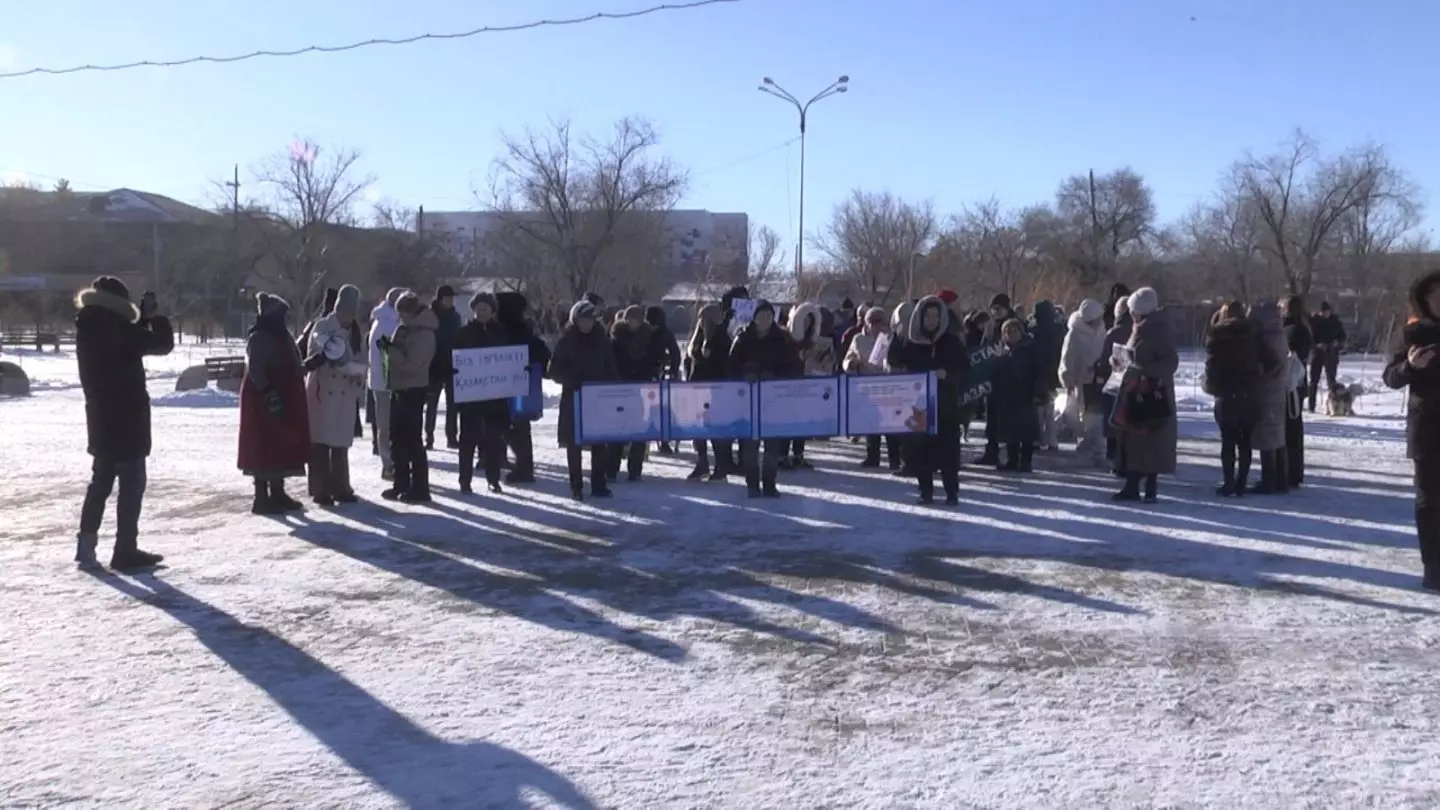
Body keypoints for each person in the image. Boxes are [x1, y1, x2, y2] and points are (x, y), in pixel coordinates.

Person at [74, 276, 175, 569]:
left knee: (100, 484)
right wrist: (154, 318)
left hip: (100, 417)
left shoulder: (90, 324)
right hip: (128, 418)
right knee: (131, 487)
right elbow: (162, 344)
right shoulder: (117, 328)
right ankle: (125, 549)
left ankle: (86, 546)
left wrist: (140, 322)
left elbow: (124, 346)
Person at [1382, 270, 1440, 591]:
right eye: (1435, 295)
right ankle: (1433, 568)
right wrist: (1410, 367)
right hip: (1429, 429)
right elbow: (1390, 377)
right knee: (1430, 501)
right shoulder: (1412, 334)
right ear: (1424, 300)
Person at [238, 292, 311, 516]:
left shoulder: (281, 335)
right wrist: (269, 392)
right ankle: (261, 497)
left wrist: (307, 366)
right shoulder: (260, 336)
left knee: (281, 441)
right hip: (264, 396)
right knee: (263, 444)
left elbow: (290, 363)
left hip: (283, 392)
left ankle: (278, 492)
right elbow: (257, 368)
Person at [895, 296, 967, 504]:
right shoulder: (911, 342)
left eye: (936, 316)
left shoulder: (951, 341)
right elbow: (895, 361)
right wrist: (897, 335)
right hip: (919, 407)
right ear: (921, 317)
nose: (932, 320)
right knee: (920, 451)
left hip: (946, 407)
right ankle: (925, 491)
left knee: (948, 453)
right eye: (928, 316)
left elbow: (964, 370)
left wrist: (947, 375)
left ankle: (951, 492)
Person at [730, 300, 802, 497]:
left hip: (774, 399)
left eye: (769, 316)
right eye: (762, 315)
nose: (765, 319)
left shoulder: (783, 339)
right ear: (754, 317)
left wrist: (775, 376)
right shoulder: (743, 338)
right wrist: (746, 372)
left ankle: (769, 483)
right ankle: (752, 484)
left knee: (772, 445)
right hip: (748, 399)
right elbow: (731, 365)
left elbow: (794, 367)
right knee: (750, 446)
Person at [1112, 288, 1179, 502]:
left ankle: (1150, 487)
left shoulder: (1159, 330)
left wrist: (1143, 368)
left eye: (1133, 311)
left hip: (1152, 394)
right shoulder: (1138, 328)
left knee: (1151, 440)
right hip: (1135, 392)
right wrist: (1119, 361)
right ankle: (1132, 486)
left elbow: (1170, 362)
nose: (1131, 315)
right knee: (1134, 440)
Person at [304, 284, 367, 505]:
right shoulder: (322, 326)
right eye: (346, 311)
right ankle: (320, 489)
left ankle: (341, 487)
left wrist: (357, 373)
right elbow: (316, 351)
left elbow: (362, 361)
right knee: (320, 444)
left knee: (340, 444)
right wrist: (334, 357)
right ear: (338, 309)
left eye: (352, 312)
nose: (349, 316)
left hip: (345, 394)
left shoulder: (357, 332)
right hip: (323, 392)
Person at [550, 300, 619, 500]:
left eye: (590, 319)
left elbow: (610, 367)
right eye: (583, 320)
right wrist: (571, 379)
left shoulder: (601, 340)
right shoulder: (566, 341)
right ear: (575, 320)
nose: (587, 324)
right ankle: (576, 486)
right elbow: (553, 370)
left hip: (597, 398)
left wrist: (613, 388)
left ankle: (599, 484)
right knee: (574, 444)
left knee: (599, 443)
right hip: (574, 397)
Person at [1203, 302, 1271, 496]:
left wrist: (1213, 388)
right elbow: (1272, 361)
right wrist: (1258, 374)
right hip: (1250, 392)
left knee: (1228, 441)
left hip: (1227, 395)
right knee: (1245, 441)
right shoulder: (1255, 336)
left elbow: (1211, 370)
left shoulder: (1217, 338)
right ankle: (1241, 482)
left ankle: (1228, 482)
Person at [380, 293, 438, 503]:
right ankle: (401, 483)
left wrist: (390, 351)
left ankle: (421, 488)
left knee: (413, 441)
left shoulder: (424, 334)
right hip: (398, 388)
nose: (400, 317)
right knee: (398, 440)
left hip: (414, 389)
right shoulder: (404, 329)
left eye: (402, 313)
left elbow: (413, 365)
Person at [453, 293, 510, 495]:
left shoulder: (501, 333)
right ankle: (464, 480)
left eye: (485, 308)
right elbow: (453, 361)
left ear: (492, 311)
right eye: (478, 308)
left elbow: (509, 361)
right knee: (468, 440)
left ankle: (493, 479)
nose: (481, 312)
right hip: (470, 397)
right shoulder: (463, 334)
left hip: (495, 397)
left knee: (494, 440)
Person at [496, 291, 550, 485]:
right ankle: (523, 465)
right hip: (519, 386)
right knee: (518, 427)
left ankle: (523, 466)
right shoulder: (524, 330)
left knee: (508, 426)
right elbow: (542, 353)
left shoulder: (505, 331)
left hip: (507, 386)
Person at [845, 306, 900, 469]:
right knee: (871, 423)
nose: (876, 326)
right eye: (873, 323)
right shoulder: (858, 339)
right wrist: (851, 363)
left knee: (891, 425)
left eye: (880, 322)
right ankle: (872, 457)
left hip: (887, 386)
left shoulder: (890, 339)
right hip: (867, 386)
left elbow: (896, 360)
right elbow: (848, 358)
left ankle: (894, 459)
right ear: (867, 323)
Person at [685, 303, 735, 481]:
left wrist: (707, 356)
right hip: (697, 387)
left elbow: (724, 364)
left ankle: (721, 466)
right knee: (698, 429)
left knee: (715, 429)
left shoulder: (721, 339)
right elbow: (691, 360)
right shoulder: (698, 338)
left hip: (715, 389)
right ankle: (702, 462)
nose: (702, 323)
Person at [609, 305, 658, 481]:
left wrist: (649, 371)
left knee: (639, 429)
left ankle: (635, 470)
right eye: (629, 319)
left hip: (641, 386)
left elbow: (653, 359)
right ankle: (612, 468)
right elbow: (612, 360)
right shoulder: (617, 337)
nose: (632, 322)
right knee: (618, 429)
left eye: (636, 319)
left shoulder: (648, 337)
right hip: (622, 386)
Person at [1249, 301, 1293, 494]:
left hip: (1266, 388)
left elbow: (1264, 363)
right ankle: (1281, 479)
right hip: (1279, 389)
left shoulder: (1264, 338)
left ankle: (1268, 480)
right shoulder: (1279, 333)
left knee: (1267, 435)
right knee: (1277, 435)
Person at [1059, 299, 1108, 466]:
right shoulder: (1074, 334)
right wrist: (1067, 378)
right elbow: (1067, 359)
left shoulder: (1103, 330)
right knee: (1084, 417)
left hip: (1100, 380)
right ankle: (1087, 446)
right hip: (1083, 382)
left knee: (1097, 417)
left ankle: (1098, 450)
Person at [988, 319, 1042, 472]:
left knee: (1026, 432)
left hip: (1025, 395)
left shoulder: (1029, 350)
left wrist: (1038, 392)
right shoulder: (1002, 352)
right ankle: (1012, 460)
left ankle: (1026, 462)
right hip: (1007, 397)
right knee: (1010, 431)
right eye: (1007, 332)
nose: (1010, 335)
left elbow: (1038, 372)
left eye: (1014, 331)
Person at [368, 287, 406, 481]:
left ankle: (392, 463)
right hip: (387, 382)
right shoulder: (388, 324)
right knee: (387, 425)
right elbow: (385, 355)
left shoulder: (383, 320)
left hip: (382, 380)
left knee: (387, 425)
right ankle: (389, 464)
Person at [425, 284, 462, 449]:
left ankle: (452, 437)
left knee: (453, 405)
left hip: (452, 365)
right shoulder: (431, 316)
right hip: (434, 366)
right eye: (448, 298)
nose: (450, 300)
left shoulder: (455, 317)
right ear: (440, 299)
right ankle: (429, 437)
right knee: (431, 405)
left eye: (452, 298)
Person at [1100, 297, 1134, 470]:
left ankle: (1114, 456)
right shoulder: (1137, 330)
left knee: (1114, 421)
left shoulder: (1114, 332)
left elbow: (1105, 359)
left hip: (1115, 383)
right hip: (1135, 384)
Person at [1282, 296, 1312, 488]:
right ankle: (1295, 471)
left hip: (1289, 385)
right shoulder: (1304, 328)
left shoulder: (1290, 330)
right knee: (1294, 428)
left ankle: (1289, 472)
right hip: (1298, 384)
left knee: (1288, 429)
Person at [1029, 300, 1066, 451]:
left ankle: (1037, 439)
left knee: (1038, 407)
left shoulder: (1033, 331)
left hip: (1036, 371)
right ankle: (1052, 439)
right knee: (1051, 408)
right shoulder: (1059, 330)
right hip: (1053, 371)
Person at [646, 305, 683, 456]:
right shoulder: (644, 331)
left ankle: (665, 440)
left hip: (659, 371)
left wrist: (673, 370)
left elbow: (675, 352)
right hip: (644, 371)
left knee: (663, 407)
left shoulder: (665, 333)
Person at [1308, 301, 1347, 412]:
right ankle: (1312, 406)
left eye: (1327, 311)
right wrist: (1316, 345)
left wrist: (1337, 343)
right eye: (1323, 312)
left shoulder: (1335, 322)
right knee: (1314, 381)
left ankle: (1334, 405)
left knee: (1331, 381)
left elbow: (1343, 336)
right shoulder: (1313, 322)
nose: (1325, 314)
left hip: (1331, 354)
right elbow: (1309, 338)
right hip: (1318, 353)